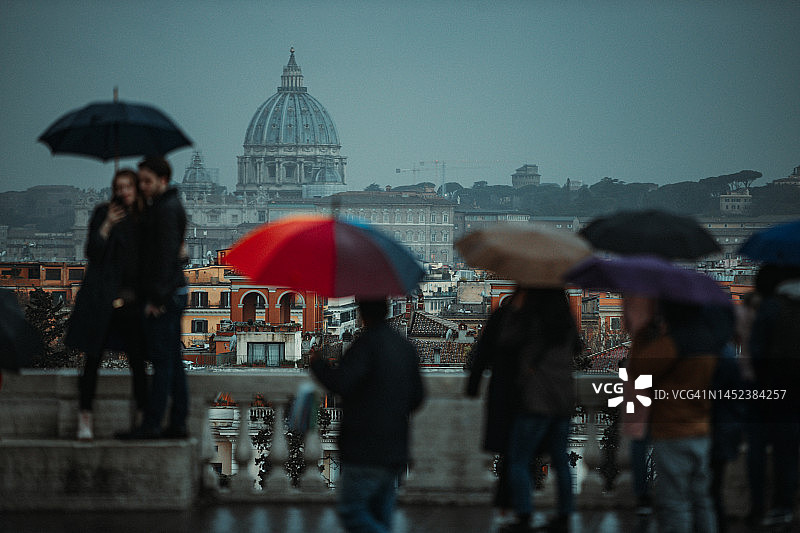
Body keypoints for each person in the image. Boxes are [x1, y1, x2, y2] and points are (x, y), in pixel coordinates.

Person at [469, 288, 579, 533]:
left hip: (536, 400)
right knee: (561, 461)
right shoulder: (566, 323)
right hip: (563, 400)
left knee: (519, 459)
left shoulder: (530, 320)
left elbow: (502, 342)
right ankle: (565, 514)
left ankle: (524, 515)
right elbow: (577, 350)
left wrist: (513, 308)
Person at [310, 300, 425, 533]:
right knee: (383, 512)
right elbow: (418, 396)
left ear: (362, 314)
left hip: (364, 445)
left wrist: (318, 365)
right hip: (395, 444)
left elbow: (342, 383)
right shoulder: (404, 346)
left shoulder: (364, 346)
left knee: (351, 510)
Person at [628, 301, 733, 533]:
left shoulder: (674, 343)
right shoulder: (709, 344)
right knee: (702, 499)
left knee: (675, 502)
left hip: (673, 430)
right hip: (701, 430)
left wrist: (641, 334)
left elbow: (638, 368)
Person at [65, 168, 147, 440]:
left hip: (130, 301)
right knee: (92, 359)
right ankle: (85, 417)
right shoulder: (103, 213)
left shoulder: (142, 218)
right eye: (119, 187)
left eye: (128, 186)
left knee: (138, 360)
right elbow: (93, 252)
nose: (123, 191)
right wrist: (107, 225)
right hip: (102, 299)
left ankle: (141, 417)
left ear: (135, 189)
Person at [125, 156, 188, 439]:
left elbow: (164, 259)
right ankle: (177, 422)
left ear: (163, 180)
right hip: (171, 293)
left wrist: (156, 300)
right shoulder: (165, 207)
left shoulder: (165, 210)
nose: (142, 186)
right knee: (172, 362)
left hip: (165, 296)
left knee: (163, 363)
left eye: (147, 181)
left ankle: (152, 424)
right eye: (140, 182)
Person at [749, 264, 800, 527]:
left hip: (775, 389)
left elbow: (757, 353)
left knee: (770, 448)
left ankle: (764, 505)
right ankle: (786, 503)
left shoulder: (772, 306)